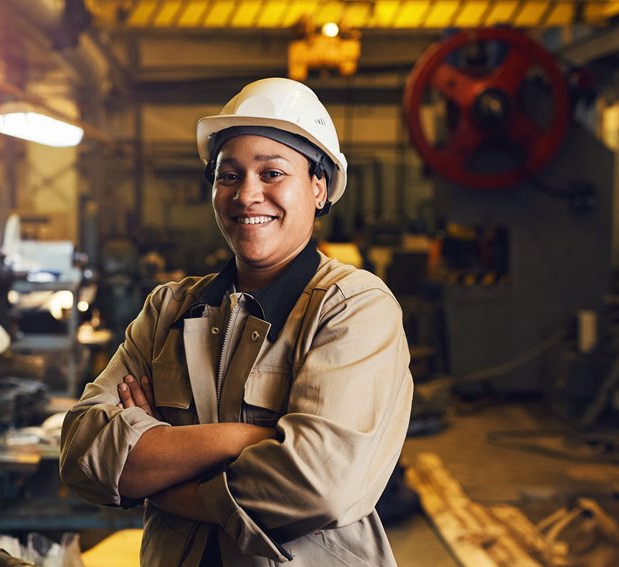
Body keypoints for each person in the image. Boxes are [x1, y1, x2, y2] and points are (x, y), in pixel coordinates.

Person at [60, 77, 413, 566]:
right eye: (229, 175)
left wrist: (162, 477)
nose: (247, 194)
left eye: (272, 173)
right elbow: (82, 454)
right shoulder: (170, 309)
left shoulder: (352, 307)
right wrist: (242, 438)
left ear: (319, 187)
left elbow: (319, 485)